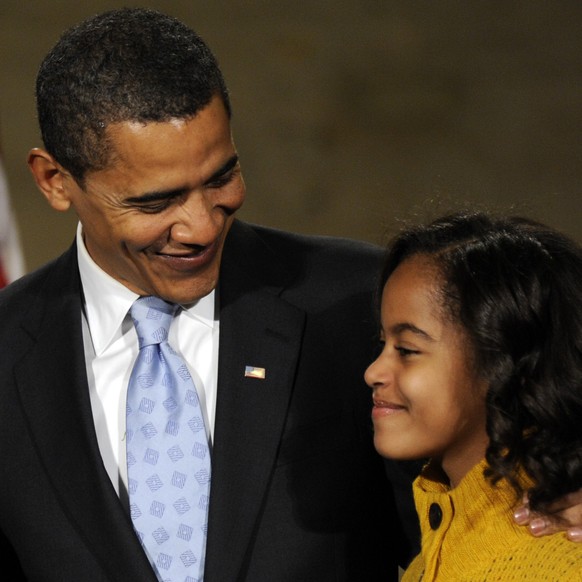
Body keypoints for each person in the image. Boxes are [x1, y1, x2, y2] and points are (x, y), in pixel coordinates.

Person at [0, 8, 416, 581]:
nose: (200, 226)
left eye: (221, 178)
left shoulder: (362, 304)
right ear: (55, 181)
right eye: (155, 202)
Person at [365, 211, 582, 580]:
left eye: (407, 349)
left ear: (505, 361)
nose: (372, 373)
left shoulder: (561, 561)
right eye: (383, 343)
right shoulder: (432, 555)